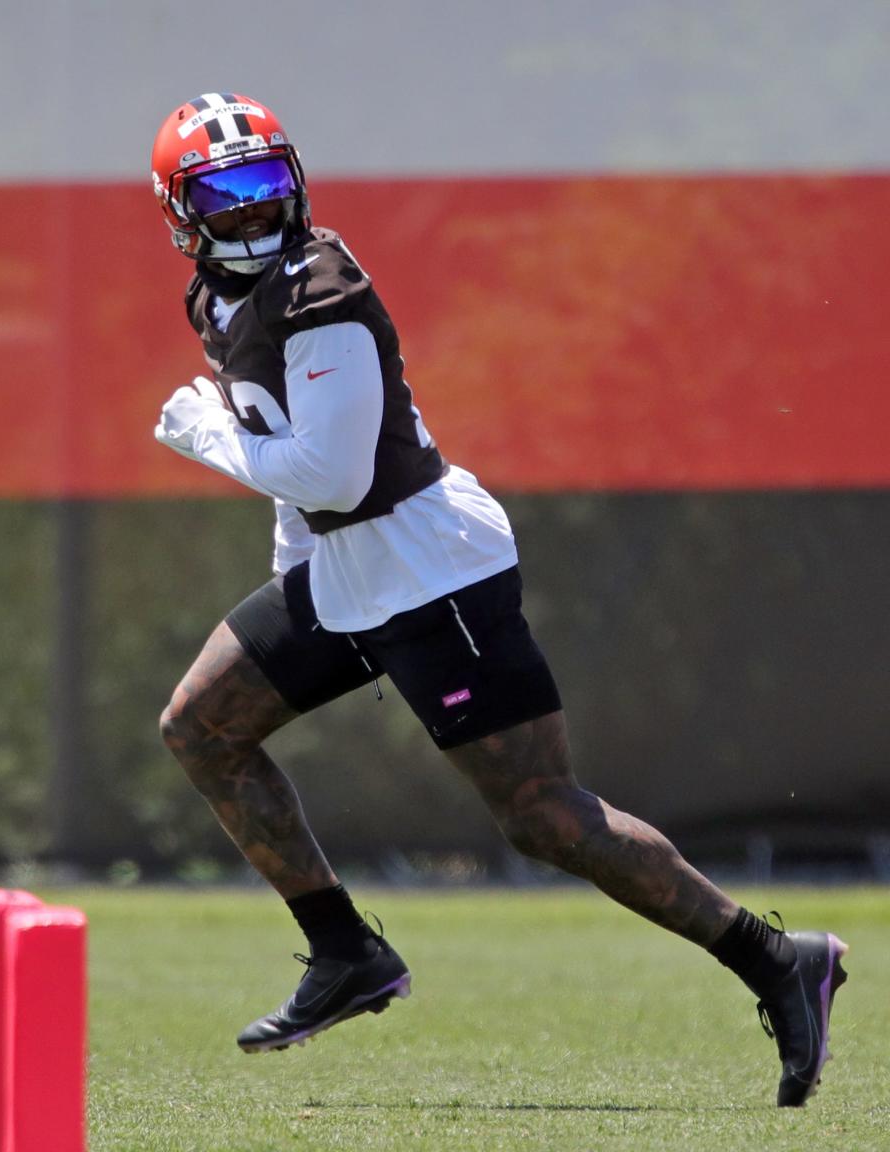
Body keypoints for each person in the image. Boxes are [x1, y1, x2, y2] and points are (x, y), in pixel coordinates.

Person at [151, 92, 847, 1105]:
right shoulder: (215, 297)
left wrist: (206, 435)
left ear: (294, 182)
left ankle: (778, 962)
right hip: (344, 569)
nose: (255, 211)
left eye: (266, 184)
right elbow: (306, 491)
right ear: (181, 215)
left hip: (434, 570)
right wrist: (292, 567)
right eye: (229, 194)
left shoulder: (322, 289)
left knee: (541, 815)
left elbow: (336, 473)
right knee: (202, 726)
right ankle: (345, 952)